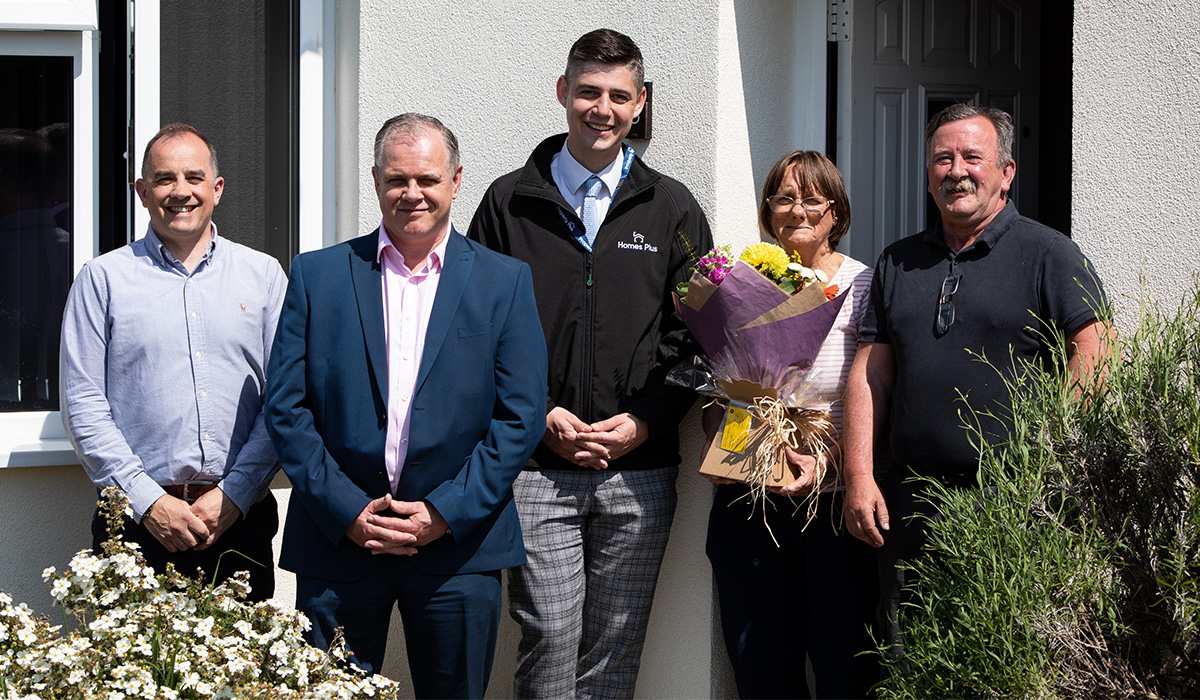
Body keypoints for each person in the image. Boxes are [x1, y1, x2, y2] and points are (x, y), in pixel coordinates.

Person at [264, 113, 547, 699]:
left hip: (457, 550)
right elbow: (287, 409)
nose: (411, 194)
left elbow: (519, 418)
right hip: (340, 543)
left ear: (457, 180)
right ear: (374, 181)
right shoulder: (318, 275)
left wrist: (442, 513)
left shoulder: (505, 281)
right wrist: (347, 509)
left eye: (426, 179)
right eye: (397, 180)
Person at [468, 28, 713, 699]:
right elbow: (474, 329)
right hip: (535, 466)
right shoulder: (507, 202)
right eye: (587, 92)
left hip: (640, 470)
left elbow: (697, 338)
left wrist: (644, 422)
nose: (600, 108)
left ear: (639, 105)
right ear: (562, 94)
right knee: (547, 635)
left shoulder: (674, 207)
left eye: (617, 96)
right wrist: (537, 414)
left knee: (614, 649)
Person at [842, 103, 1110, 651]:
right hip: (912, 505)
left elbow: (1096, 348)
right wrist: (859, 476)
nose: (955, 170)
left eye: (972, 157)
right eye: (942, 158)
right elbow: (872, 375)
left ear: (1006, 172)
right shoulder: (898, 261)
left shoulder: (1047, 253)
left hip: (1012, 504)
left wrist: (1055, 454)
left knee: (1003, 660)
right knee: (909, 658)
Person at [60, 123, 285, 600]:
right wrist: (148, 502)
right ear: (142, 192)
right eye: (164, 179)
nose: (180, 191)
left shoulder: (263, 276)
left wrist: (236, 494)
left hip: (238, 523)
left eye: (194, 177)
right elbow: (83, 404)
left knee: (244, 674)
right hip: (136, 526)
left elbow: (284, 399)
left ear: (217, 189)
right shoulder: (102, 280)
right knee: (133, 674)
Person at [702, 150, 880, 699]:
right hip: (751, 497)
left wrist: (824, 458)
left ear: (836, 211)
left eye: (811, 197)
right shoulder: (737, 281)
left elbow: (873, 390)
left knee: (844, 661)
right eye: (784, 197)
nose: (797, 209)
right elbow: (718, 384)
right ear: (768, 209)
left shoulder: (866, 284)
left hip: (831, 501)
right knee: (761, 665)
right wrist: (745, 453)